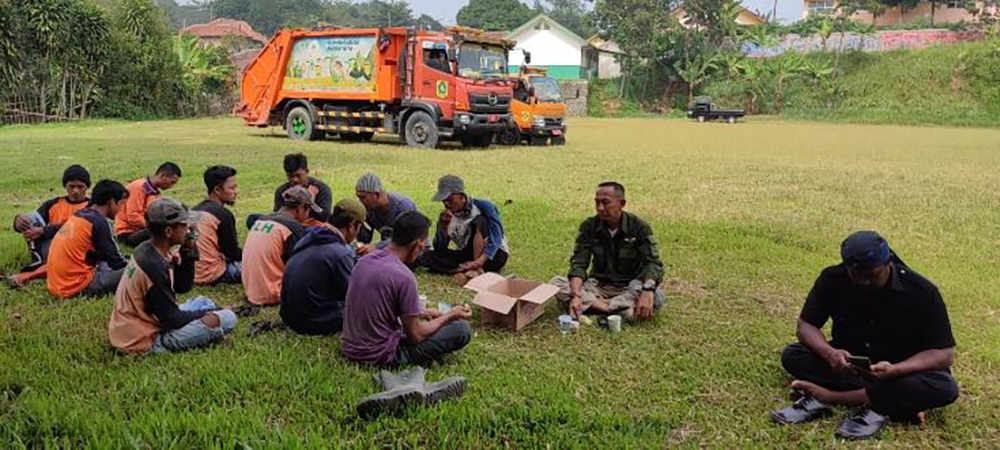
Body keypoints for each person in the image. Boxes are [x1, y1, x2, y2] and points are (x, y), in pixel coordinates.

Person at [771, 231, 958, 440]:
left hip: (901, 371)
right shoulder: (832, 279)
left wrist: (896, 369)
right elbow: (806, 326)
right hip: (851, 366)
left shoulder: (921, 291)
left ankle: (831, 396)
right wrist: (829, 353)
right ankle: (897, 401)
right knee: (793, 355)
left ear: (889, 262)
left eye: (871, 274)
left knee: (944, 387)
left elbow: (943, 354)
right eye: (856, 275)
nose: (864, 281)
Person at [342, 211, 473, 367]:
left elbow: (384, 305)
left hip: (350, 348)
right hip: (380, 355)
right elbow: (416, 335)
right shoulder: (404, 277)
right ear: (418, 244)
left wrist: (427, 312)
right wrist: (450, 315)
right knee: (461, 329)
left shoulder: (364, 261)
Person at [108, 198, 237, 354]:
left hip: (142, 321)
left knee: (204, 302)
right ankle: (169, 342)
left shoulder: (149, 248)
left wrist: (187, 248)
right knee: (228, 317)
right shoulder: (153, 265)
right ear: (168, 231)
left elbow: (183, 286)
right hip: (143, 339)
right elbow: (173, 319)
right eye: (184, 225)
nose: (189, 228)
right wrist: (211, 312)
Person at [551, 182, 665, 322]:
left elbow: (653, 263)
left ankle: (594, 306)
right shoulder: (589, 226)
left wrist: (648, 290)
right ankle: (611, 309)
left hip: (629, 288)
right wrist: (576, 295)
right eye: (597, 203)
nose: (600, 208)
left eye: (605, 202)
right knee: (556, 283)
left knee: (656, 297)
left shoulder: (638, 227)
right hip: (598, 286)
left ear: (621, 203)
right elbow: (579, 264)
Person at [280, 198, 367, 335]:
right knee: (368, 305)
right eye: (359, 228)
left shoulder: (307, 238)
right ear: (351, 226)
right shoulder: (340, 253)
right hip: (312, 322)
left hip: (288, 316)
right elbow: (352, 296)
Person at [7, 165, 91, 288]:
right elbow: (34, 217)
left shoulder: (91, 206)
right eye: (71, 186)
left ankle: (28, 275)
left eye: (80, 186)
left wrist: (44, 231)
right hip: (51, 246)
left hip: (76, 249)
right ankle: (40, 264)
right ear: (65, 186)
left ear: (87, 187)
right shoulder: (53, 204)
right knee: (31, 222)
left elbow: (75, 227)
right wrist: (19, 221)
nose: (75, 191)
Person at [47, 180, 129, 299]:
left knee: (111, 262)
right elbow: (116, 263)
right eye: (121, 204)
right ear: (111, 202)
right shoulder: (99, 222)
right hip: (76, 286)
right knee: (137, 269)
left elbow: (99, 254)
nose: (121, 209)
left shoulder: (80, 214)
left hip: (56, 285)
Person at [420, 175, 509, 284]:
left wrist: (478, 262)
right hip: (467, 256)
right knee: (428, 256)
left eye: (449, 199)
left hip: (494, 255)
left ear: (461, 195)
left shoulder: (483, 206)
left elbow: (497, 236)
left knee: (479, 220)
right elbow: (440, 249)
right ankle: (467, 269)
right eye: (444, 201)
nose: (446, 204)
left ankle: (475, 269)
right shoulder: (447, 215)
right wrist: (443, 227)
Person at [241, 186, 318, 306]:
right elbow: (298, 267)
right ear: (301, 209)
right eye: (309, 211)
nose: (308, 216)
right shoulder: (292, 227)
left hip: (250, 290)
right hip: (272, 293)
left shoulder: (262, 220)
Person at [193, 165, 242, 285]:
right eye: (232, 188)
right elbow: (232, 253)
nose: (236, 191)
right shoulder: (223, 215)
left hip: (191, 274)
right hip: (214, 274)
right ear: (217, 190)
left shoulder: (194, 210)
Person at [115, 162, 183, 247]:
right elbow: (132, 217)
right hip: (128, 233)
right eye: (172, 182)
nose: (171, 186)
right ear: (163, 176)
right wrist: (154, 226)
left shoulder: (154, 192)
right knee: (163, 231)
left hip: (143, 230)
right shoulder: (139, 187)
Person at [354, 173, 417, 256]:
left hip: (413, 252)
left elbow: (406, 238)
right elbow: (364, 238)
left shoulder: (402, 206)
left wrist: (377, 246)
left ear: (376, 194)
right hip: (391, 251)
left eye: (363, 197)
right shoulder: (370, 208)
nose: (360, 201)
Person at [271, 153, 332, 227]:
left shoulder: (321, 189)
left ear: (307, 172)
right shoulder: (282, 191)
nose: (295, 180)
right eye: (290, 176)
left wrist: (310, 202)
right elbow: (277, 218)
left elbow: (325, 217)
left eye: (298, 175)